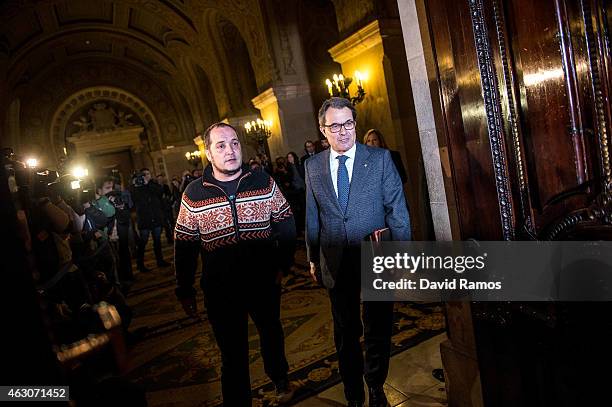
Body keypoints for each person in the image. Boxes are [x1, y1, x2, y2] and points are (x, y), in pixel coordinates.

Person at [174, 122, 297, 406]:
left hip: (263, 282)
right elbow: (185, 246)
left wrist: (282, 265)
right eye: (220, 145)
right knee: (232, 353)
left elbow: (285, 222)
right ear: (208, 153)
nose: (230, 150)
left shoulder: (262, 181)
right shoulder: (193, 194)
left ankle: (280, 380)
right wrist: (185, 288)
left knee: (271, 334)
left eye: (234, 143)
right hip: (221, 290)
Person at [305, 97, 411, 407]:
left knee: (378, 324)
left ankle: (376, 384)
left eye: (348, 124)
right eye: (335, 126)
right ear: (323, 130)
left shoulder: (379, 159)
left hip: (375, 253)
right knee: (345, 330)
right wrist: (312, 257)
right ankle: (353, 394)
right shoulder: (312, 167)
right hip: (336, 258)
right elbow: (313, 217)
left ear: (355, 123)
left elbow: (398, 212)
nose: (343, 132)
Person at [132, 168, 170, 272]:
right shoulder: (137, 187)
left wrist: (147, 184)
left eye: (148, 174)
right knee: (143, 242)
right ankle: (140, 265)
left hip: (156, 217)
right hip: (145, 219)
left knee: (157, 241)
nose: (146, 176)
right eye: (143, 174)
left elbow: (160, 191)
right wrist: (137, 185)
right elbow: (133, 198)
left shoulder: (153, 184)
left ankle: (160, 261)